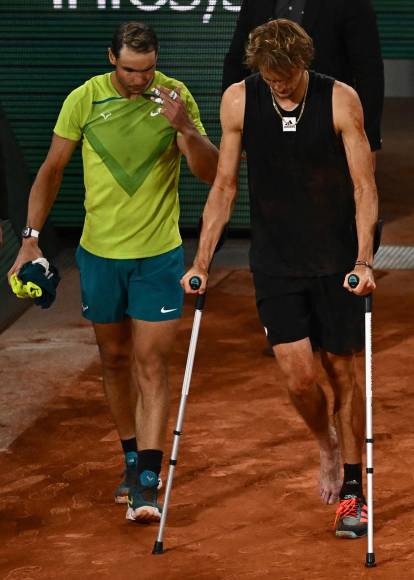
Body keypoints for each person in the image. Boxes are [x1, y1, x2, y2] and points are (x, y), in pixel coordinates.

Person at [8, 21, 218, 524]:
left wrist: (185, 127)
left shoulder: (176, 96)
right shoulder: (84, 100)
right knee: (115, 359)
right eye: (129, 69)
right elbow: (52, 169)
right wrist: (31, 238)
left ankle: (148, 478)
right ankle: (129, 457)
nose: (140, 79)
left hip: (158, 256)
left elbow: (211, 173)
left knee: (151, 363)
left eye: (147, 70)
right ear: (111, 59)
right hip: (99, 257)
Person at [182, 19, 378, 539]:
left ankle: (355, 491)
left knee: (343, 376)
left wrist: (363, 259)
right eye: (270, 76)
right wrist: (201, 260)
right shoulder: (239, 101)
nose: (280, 84)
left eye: (286, 75)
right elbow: (223, 186)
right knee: (298, 379)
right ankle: (326, 445)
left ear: (304, 62)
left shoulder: (340, 100)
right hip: (274, 261)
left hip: (336, 262)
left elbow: (364, 186)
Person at [222, 0, 384, 162]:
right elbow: (237, 60)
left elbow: (369, 70)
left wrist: (368, 139)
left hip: (327, 124)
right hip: (267, 124)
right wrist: (236, 131)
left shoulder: (350, 4)